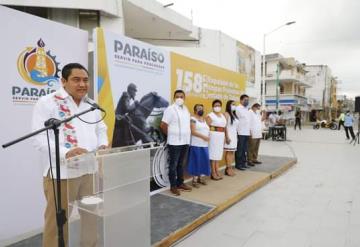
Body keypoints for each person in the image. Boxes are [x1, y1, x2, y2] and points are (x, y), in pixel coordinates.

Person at [31, 63, 108, 247]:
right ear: (63, 81)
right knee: (57, 223)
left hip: (90, 172)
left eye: (85, 80)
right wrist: (66, 152)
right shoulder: (48, 102)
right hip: (62, 175)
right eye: (76, 80)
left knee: (91, 215)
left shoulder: (91, 105)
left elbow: (101, 129)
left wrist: (103, 144)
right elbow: (39, 139)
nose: (82, 84)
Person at [160, 90, 192, 196]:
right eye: (177, 96)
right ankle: (173, 186)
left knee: (180, 164)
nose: (179, 98)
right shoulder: (170, 109)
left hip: (185, 141)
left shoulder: (186, 109)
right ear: (174, 98)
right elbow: (163, 125)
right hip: (174, 142)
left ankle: (180, 183)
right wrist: (170, 136)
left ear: (184, 98)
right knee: (173, 165)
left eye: (181, 96)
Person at [187, 104, 211, 187]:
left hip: (204, 145)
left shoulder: (204, 120)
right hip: (196, 144)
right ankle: (194, 180)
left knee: (203, 162)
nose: (200, 110)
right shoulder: (192, 119)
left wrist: (207, 137)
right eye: (198, 108)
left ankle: (201, 178)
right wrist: (204, 137)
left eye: (201, 108)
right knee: (196, 162)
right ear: (195, 110)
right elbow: (193, 131)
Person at [206, 99, 227, 180]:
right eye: (215, 106)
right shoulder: (210, 115)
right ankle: (213, 173)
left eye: (219, 105)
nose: (217, 107)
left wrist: (225, 137)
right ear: (213, 107)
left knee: (218, 155)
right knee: (213, 155)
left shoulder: (222, 116)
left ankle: (217, 171)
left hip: (221, 136)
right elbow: (207, 127)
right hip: (213, 136)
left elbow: (224, 127)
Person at [235, 94, 251, 170]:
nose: (247, 101)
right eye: (245, 100)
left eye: (247, 100)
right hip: (240, 132)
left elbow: (247, 121)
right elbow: (238, 120)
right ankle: (238, 164)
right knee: (240, 149)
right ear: (241, 100)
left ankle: (244, 163)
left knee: (245, 149)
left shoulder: (246, 109)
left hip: (246, 132)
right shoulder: (238, 108)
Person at [223, 100, 238, 176]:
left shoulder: (234, 114)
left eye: (235, 104)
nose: (234, 105)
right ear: (228, 105)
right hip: (229, 136)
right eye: (232, 104)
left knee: (232, 152)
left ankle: (230, 167)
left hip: (234, 136)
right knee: (229, 152)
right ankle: (228, 168)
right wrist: (227, 137)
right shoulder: (226, 114)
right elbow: (224, 126)